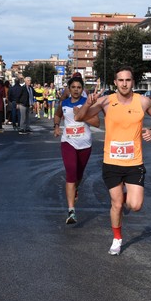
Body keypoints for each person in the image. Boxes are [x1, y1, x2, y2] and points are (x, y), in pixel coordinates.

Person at [75, 65, 151, 256]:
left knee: (136, 205)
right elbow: (79, 117)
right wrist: (88, 103)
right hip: (112, 162)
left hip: (134, 162)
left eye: (128, 80)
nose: (124, 84)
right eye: (121, 80)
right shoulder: (106, 101)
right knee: (116, 204)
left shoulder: (143, 101)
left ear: (133, 82)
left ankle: (124, 196)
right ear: (115, 83)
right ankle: (117, 238)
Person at [54, 76, 100, 224]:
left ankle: (75, 189)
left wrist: (81, 114)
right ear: (69, 89)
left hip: (85, 143)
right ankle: (71, 211)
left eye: (79, 87)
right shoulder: (64, 103)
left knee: (78, 174)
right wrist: (56, 127)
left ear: (82, 89)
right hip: (68, 142)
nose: (76, 90)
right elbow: (57, 115)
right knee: (71, 172)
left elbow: (97, 123)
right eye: (73, 87)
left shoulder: (87, 103)